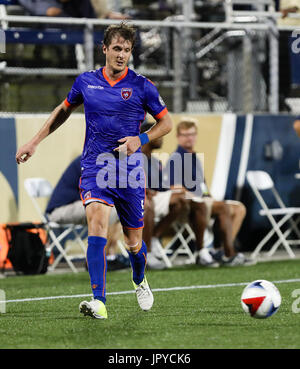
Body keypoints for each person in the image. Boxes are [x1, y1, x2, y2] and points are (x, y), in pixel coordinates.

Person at [15, 22, 173, 319]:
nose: (122, 55)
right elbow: (63, 110)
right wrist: (34, 142)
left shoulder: (142, 86)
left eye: (127, 50)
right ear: (104, 49)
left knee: (134, 243)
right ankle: (99, 300)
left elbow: (167, 124)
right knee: (97, 222)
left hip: (129, 171)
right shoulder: (86, 82)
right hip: (96, 167)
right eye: (116, 49)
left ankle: (139, 279)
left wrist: (140, 139)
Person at [164, 118, 253, 267]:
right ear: (178, 137)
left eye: (192, 134)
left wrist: (208, 196)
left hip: (204, 201)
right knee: (223, 207)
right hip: (190, 206)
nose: (189, 138)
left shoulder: (195, 158)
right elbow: (173, 186)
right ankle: (229, 254)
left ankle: (221, 250)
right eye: (185, 135)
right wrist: (196, 197)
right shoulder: (176, 158)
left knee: (239, 208)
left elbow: (202, 185)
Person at [140, 121, 209, 268]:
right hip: (141, 200)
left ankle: (154, 237)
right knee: (182, 199)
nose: (162, 138)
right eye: (159, 135)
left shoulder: (156, 162)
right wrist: (146, 190)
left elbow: (162, 187)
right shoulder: (134, 158)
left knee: (184, 201)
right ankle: (149, 251)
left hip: (157, 197)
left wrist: (175, 189)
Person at [46, 155, 127, 269]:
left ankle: (109, 257)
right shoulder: (89, 159)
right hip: (61, 209)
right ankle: (95, 260)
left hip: (81, 205)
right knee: (108, 208)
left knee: (120, 207)